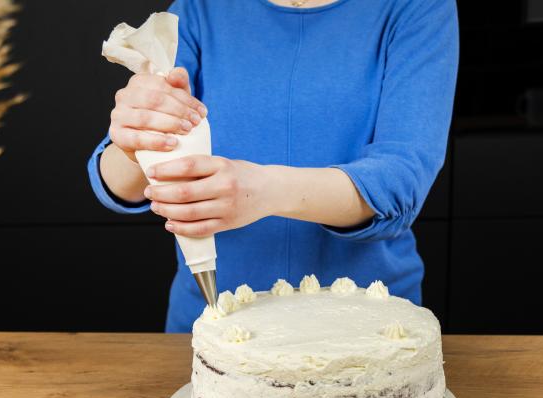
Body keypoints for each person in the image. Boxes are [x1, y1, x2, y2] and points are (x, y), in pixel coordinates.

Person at [87, 0, 458, 332]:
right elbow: (118, 184)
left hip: (370, 329)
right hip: (213, 323)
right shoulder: (200, 9)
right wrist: (135, 142)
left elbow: (401, 180)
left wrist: (263, 191)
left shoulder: (417, 7)